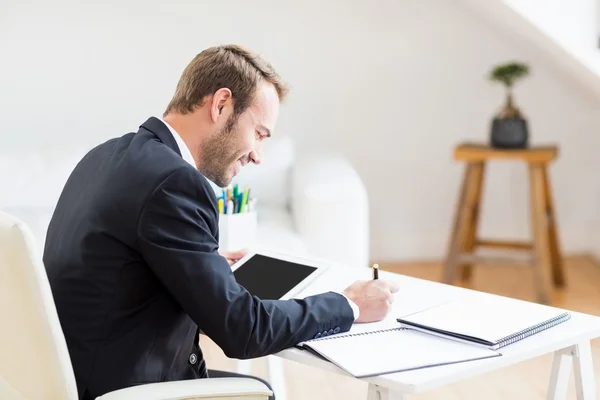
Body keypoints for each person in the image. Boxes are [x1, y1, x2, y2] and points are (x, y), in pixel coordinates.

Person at [43, 44, 399, 400]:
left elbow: (118, 270)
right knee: (258, 393)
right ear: (221, 105)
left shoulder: (104, 155)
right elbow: (242, 330)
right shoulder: (174, 183)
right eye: (259, 133)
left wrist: (201, 264)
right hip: (126, 390)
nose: (258, 155)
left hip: (71, 381)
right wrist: (349, 304)